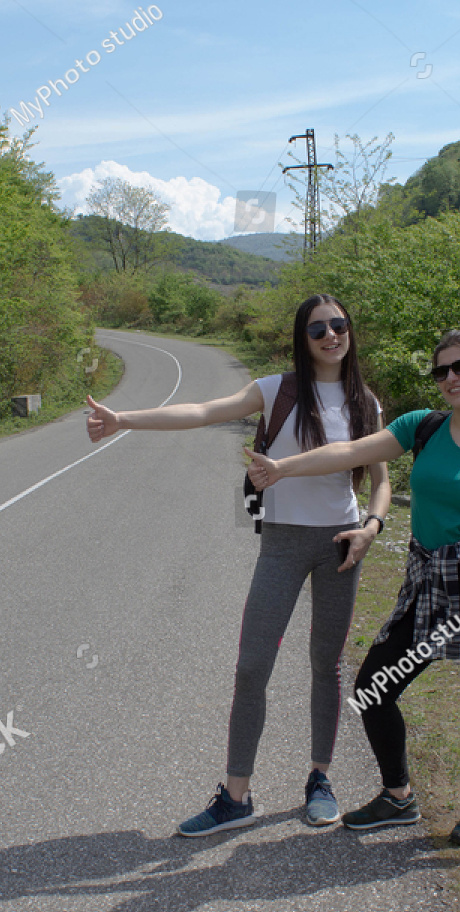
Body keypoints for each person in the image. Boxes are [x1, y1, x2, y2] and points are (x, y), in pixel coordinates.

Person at [85, 294, 391, 836]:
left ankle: (319, 778)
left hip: (342, 543)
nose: (330, 336)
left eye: (339, 325)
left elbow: (382, 481)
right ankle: (235, 795)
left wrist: (371, 527)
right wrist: (122, 419)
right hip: (281, 542)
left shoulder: (365, 401)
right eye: (317, 328)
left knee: (327, 663)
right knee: (252, 665)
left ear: (350, 330)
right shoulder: (276, 390)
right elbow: (204, 411)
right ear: (303, 338)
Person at [244, 329, 460, 847]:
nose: (451, 378)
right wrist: (281, 469)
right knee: (374, 686)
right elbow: (348, 452)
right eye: (441, 370)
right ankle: (398, 796)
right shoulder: (422, 428)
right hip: (428, 579)